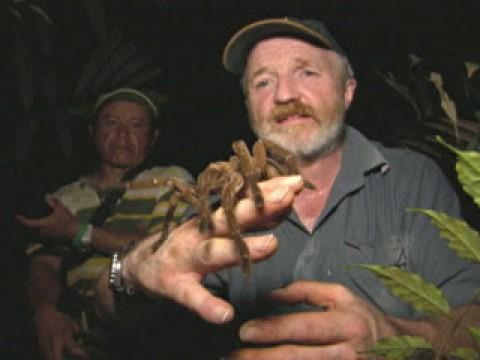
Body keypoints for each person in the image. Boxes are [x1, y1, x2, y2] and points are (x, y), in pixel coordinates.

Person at [95, 18, 480, 359]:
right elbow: (126, 319)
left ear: (347, 91)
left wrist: (398, 339)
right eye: (263, 81)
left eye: (306, 72)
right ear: (249, 107)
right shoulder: (218, 201)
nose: (283, 95)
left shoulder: (412, 179)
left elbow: (471, 320)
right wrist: (130, 271)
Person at [16, 87, 193, 360]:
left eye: (136, 125)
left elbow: (166, 248)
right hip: (81, 339)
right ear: (92, 132)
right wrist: (45, 312)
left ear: (152, 137)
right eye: (111, 123)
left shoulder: (172, 181)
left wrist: (78, 231)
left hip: (148, 334)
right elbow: (44, 264)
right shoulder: (66, 198)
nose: (123, 134)